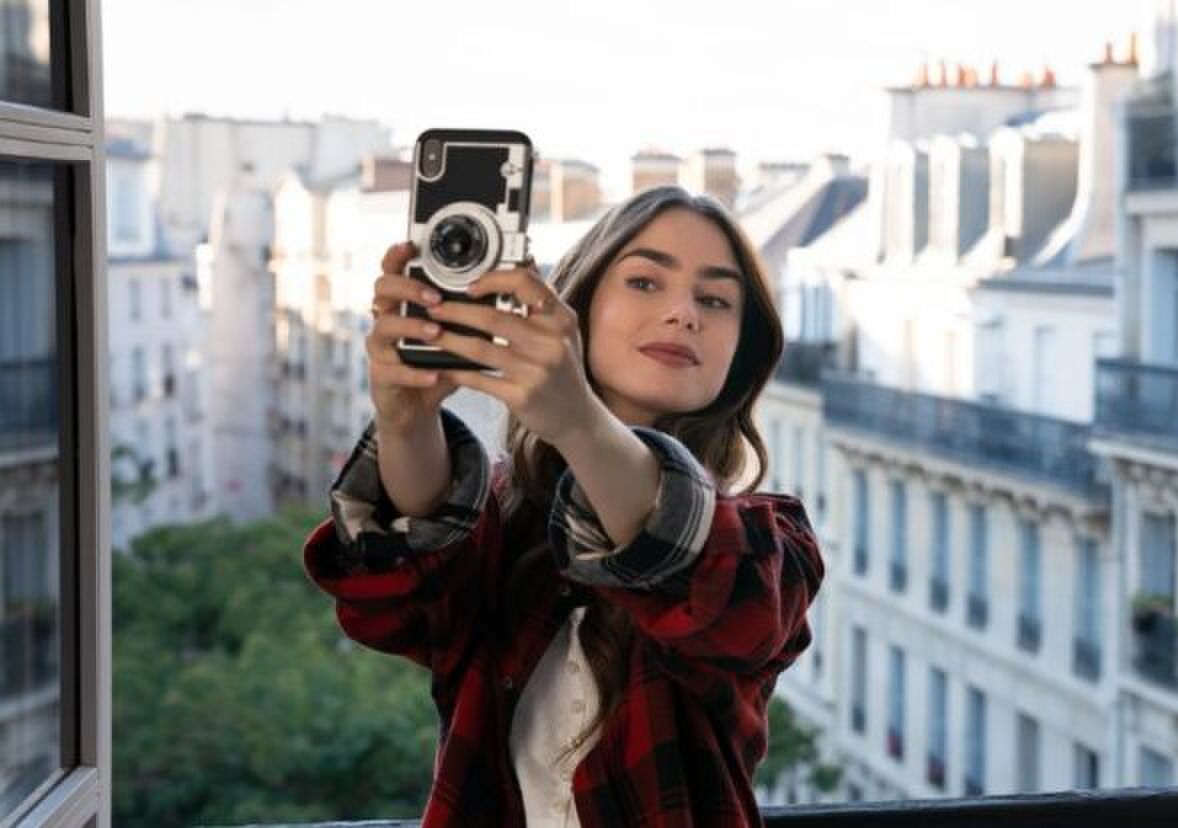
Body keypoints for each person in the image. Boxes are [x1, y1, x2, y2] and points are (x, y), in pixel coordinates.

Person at [301, 185, 825, 827]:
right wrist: (405, 420)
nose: (685, 312)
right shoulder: (499, 522)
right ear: (578, 306)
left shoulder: (768, 544)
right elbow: (396, 591)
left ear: (740, 354)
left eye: (715, 300)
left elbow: (714, 585)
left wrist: (577, 418)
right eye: (644, 282)